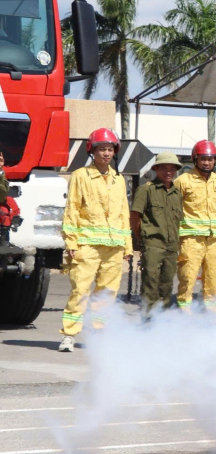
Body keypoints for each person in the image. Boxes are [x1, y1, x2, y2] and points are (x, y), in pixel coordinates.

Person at [58, 128, 133, 352]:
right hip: (87, 244)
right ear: (92, 151)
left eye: (110, 149)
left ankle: (99, 333)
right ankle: (69, 335)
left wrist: (127, 244)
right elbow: (72, 208)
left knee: (107, 293)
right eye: (102, 149)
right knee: (80, 290)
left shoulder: (118, 179)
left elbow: (123, 212)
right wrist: (71, 242)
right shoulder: (81, 175)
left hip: (114, 246)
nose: (106, 153)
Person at [175, 140, 216, 313]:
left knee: (212, 274)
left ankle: (210, 305)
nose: (207, 162)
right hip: (190, 237)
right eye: (203, 158)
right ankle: (184, 305)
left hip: (213, 238)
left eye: (210, 159)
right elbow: (175, 207)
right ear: (195, 159)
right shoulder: (183, 181)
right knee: (187, 273)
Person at [130, 152, 183, 314]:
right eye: (164, 168)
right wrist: (142, 237)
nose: (169, 172)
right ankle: (148, 322)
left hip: (171, 245)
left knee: (167, 283)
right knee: (151, 282)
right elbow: (135, 217)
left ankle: (163, 320)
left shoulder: (176, 193)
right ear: (156, 169)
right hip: (153, 243)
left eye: (172, 169)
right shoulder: (146, 190)